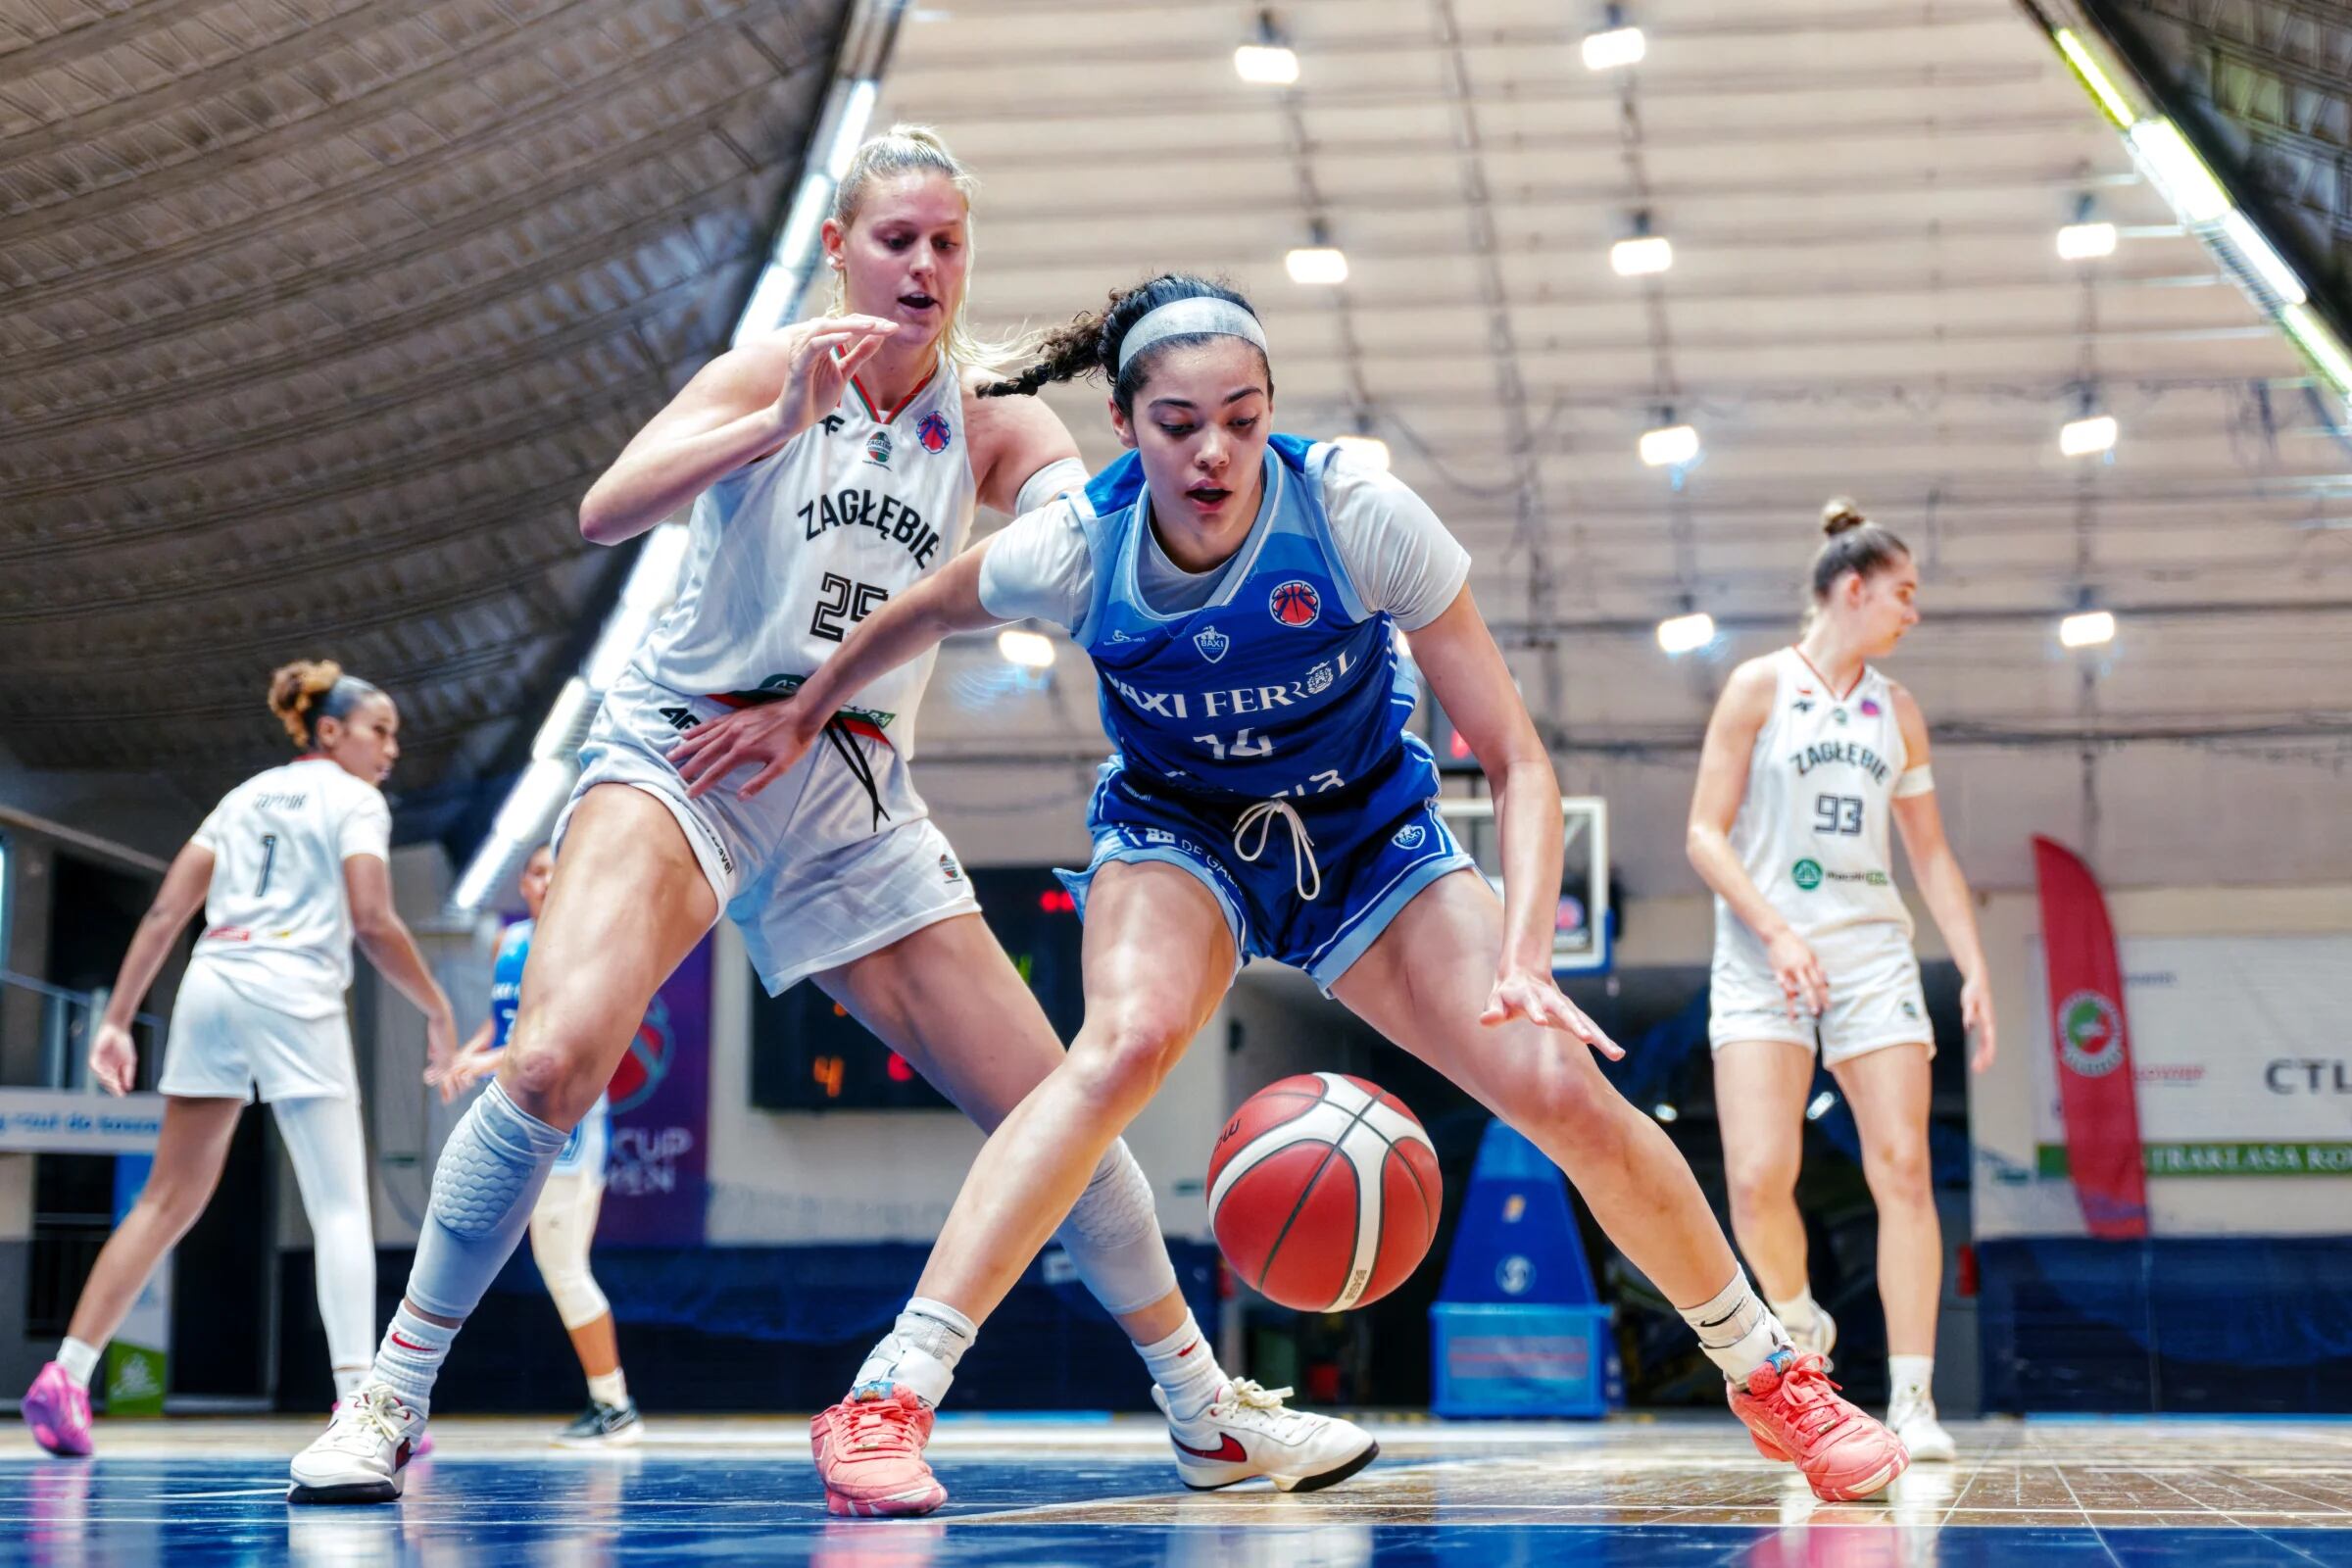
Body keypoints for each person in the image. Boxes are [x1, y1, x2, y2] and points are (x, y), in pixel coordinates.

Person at [668, 273, 1914, 1515]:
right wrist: (805, 708)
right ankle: (888, 1394)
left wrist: (1527, 953)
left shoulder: (1359, 512)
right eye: (1178, 423)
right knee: (1119, 1048)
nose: (1214, 450)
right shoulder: (1075, 542)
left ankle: (1771, 1373)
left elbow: (1518, 757)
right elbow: (926, 607)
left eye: (1244, 417)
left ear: (1272, 413)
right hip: (1180, 830)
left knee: (1554, 1085)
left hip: (1366, 837)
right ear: (1124, 422)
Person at [291, 129, 1366, 1506]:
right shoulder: (770, 368)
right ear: (841, 249)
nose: (924, 265)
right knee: (554, 1062)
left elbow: (1078, 532)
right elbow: (604, 511)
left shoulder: (990, 420)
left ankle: (1204, 1411)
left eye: (947, 244)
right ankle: (388, 1397)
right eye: (897, 240)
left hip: (851, 785)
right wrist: (773, 425)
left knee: (1060, 1107)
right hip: (693, 750)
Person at [19, 662, 456, 1458]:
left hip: (212, 984)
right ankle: (363, 1400)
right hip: (292, 990)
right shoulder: (354, 800)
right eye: (379, 730)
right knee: (339, 1204)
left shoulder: (242, 796)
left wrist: (117, 1020)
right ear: (332, 731)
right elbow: (373, 918)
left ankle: (65, 1376)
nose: (391, 748)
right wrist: (438, 1005)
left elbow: (165, 911)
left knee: (164, 1199)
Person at [1686, 497, 1997, 1462]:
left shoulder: (1897, 712)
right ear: (1853, 589)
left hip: (1867, 947)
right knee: (1755, 1175)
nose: (1914, 611)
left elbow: (1933, 856)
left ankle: (1911, 1400)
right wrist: (1776, 929)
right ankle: (1797, 1333)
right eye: (1904, 593)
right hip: (1760, 944)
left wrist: (1974, 963)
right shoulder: (1757, 688)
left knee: (1902, 1166)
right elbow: (1702, 833)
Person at [436, 844, 641, 1446]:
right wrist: (472, 1053)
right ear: (523, 883)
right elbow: (506, 1025)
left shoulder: (583, 944)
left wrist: (484, 1063)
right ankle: (609, 1403)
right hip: (518, 1116)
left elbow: (553, 1035)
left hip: (570, 1123)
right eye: (536, 870)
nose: (547, 880)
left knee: (566, 1268)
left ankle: (615, 1406)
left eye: (557, 869)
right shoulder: (510, 940)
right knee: (523, 1258)